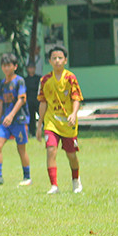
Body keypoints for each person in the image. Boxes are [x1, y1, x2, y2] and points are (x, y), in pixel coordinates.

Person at [36, 45, 83, 194]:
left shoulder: (70, 78)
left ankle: (76, 180)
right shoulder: (45, 80)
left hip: (68, 123)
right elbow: (43, 102)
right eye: (54, 58)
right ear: (49, 61)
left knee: (71, 155)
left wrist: (74, 113)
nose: (57, 61)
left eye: (60, 58)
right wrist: (39, 125)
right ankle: (54, 186)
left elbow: (76, 98)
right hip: (52, 122)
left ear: (65, 60)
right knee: (51, 150)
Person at [0, 53, 31, 186]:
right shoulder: (2, 84)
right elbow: (1, 104)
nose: (6, 68)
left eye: (9, 65)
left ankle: (27, 178)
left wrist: (11, 115)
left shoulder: (19, 81)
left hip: (19, 120)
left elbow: (21, 100)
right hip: (5, 122)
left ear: (15, 66)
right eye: (4, 66)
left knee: (21, 149)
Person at [24, 62, 41, 133]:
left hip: (38, 99)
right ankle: (32, 132)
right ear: (27, 69)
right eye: (30, 68)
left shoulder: (39, 78)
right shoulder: (25, 79)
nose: (31, 69)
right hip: (29, 100)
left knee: (42, 114)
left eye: (32, 67)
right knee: (31, 117)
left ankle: (45, 129)